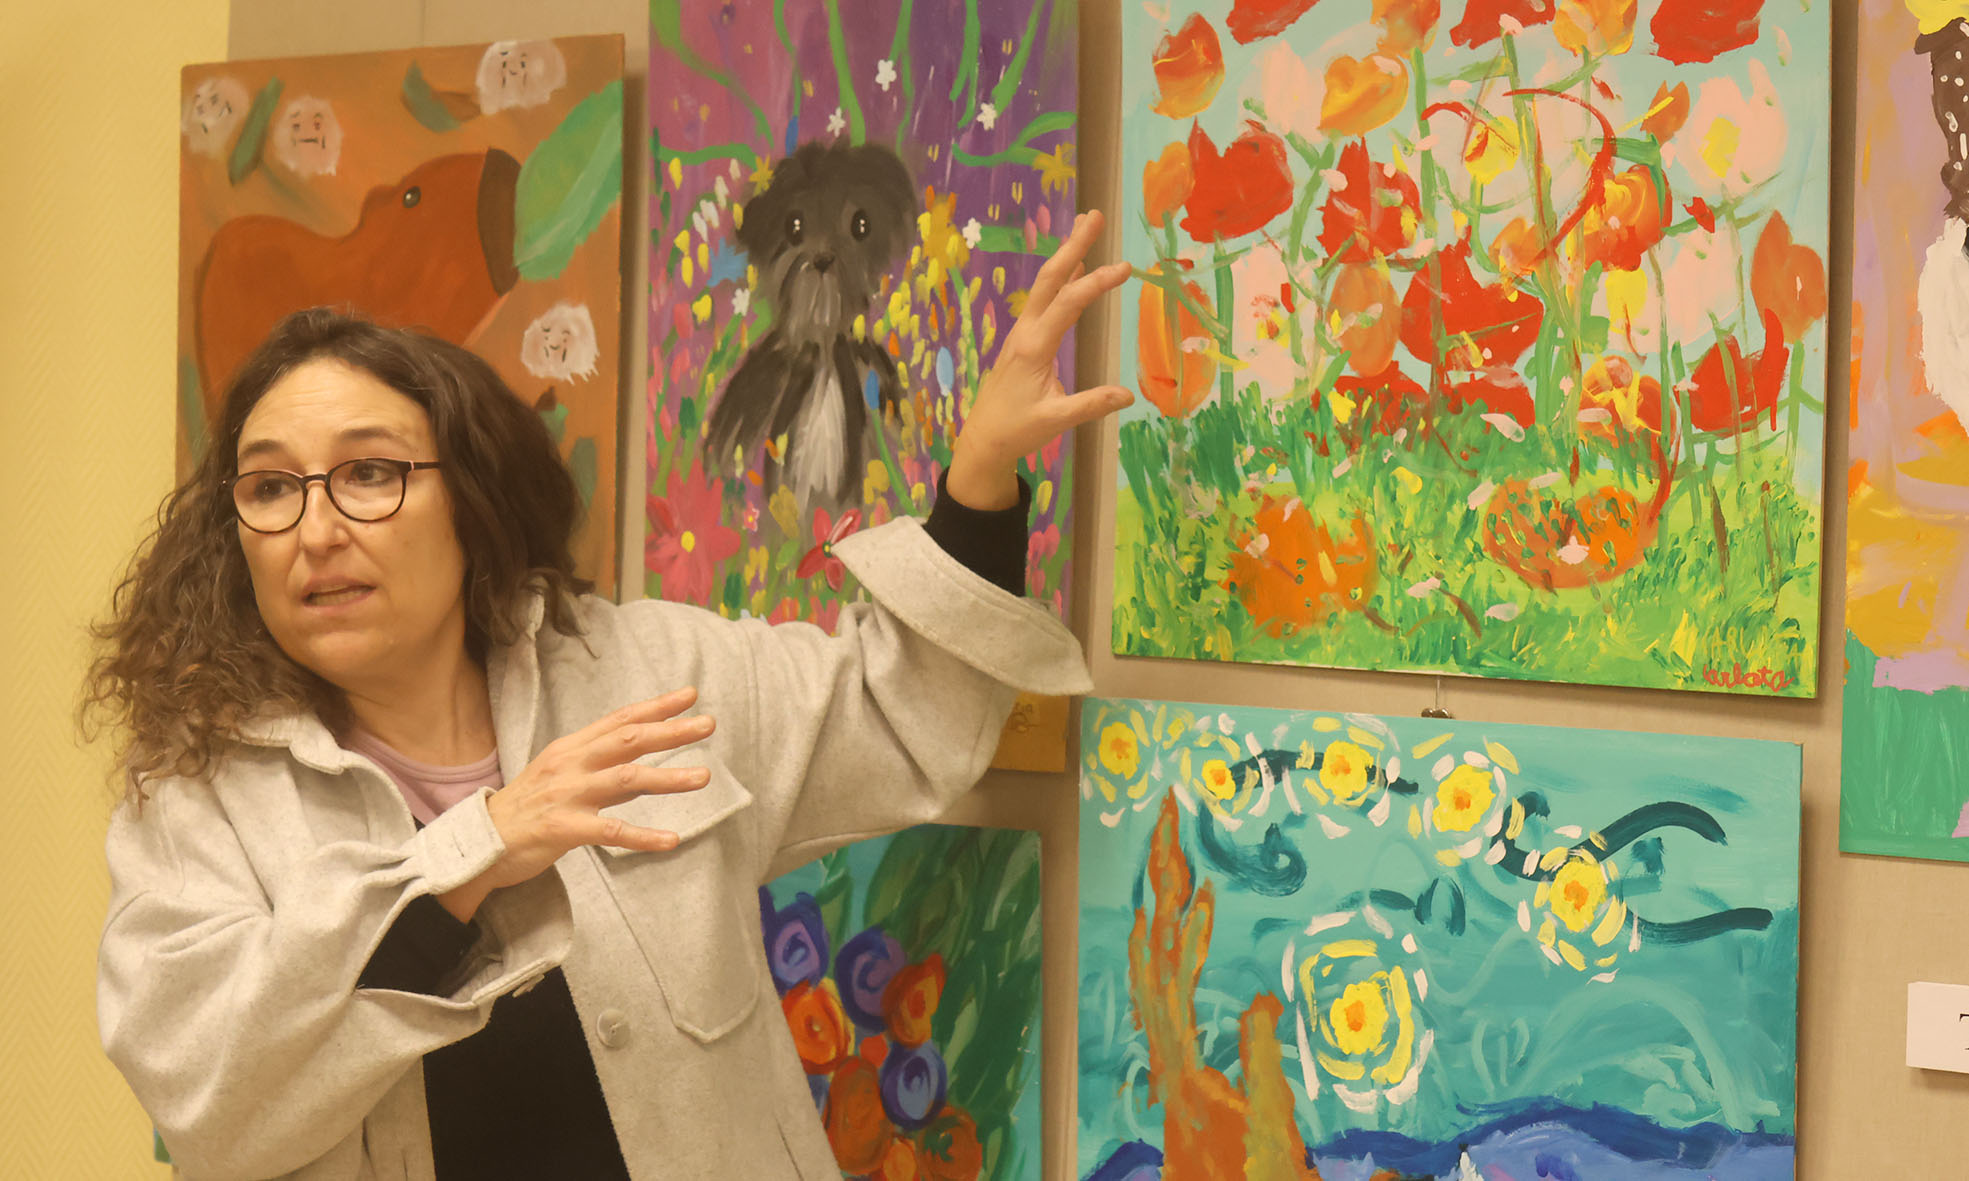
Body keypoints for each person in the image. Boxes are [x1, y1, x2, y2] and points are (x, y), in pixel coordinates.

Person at [87, 212, 1133, 1179]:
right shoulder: (197, 796)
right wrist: (474, 851)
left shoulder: (651, 675)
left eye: (369, 473)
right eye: (271, 486)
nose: (315, 530)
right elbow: (207, 1100)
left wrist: (982, 473)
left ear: (473, 498)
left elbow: (902, 708)